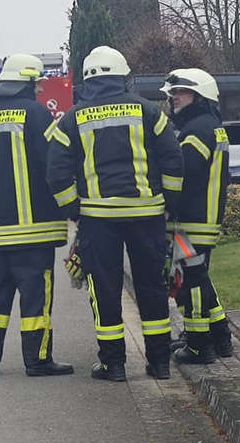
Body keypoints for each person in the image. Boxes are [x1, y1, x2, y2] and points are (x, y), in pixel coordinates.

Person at [48, 46, 185, 382]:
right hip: (147, 215)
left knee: (105, 289)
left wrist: (75, 211)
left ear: (87, 79)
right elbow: (172, 159)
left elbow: (55, 172)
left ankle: (114, 365)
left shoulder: (72, 118)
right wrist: (169, 202)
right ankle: (160, 363)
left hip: (98, 219)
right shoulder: (148, 110)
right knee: (151, 287)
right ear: (123, 75)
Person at [0, 55, 74, 377]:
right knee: (35, 298)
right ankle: (37, 360)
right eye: (36, 82)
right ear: (26, 82)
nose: (39, 88)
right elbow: (54, 163)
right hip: (35, 231)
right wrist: (69, 206)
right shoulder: (37, 114)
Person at [163, 68, 233, 364]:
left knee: (189, 282)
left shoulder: (197, 130)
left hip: (190, 221)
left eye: (181, 92)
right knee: (200, 279)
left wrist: (165, 203)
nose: (174, 97)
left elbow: (183, 174)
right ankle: (220, 335)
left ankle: (198, 345)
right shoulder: (209, 126)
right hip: (203, 219)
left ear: (200, 95)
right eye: (173, 93)